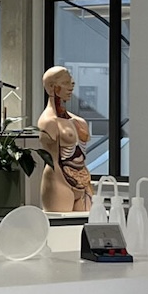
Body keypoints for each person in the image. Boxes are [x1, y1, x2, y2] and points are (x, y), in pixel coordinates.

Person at [37, 66, 93, 213]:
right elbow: (53, 158)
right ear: (51, 86)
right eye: (65, 83)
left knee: (88, 223)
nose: (71, 86)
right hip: (58, 180)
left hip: (83, 179)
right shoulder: (48, 122)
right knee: (61, 223)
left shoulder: (78, 121)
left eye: (71, 82)